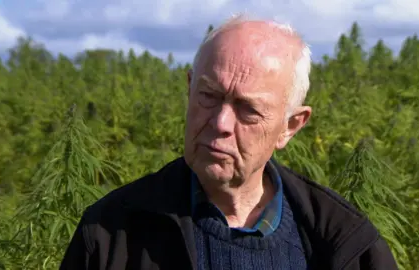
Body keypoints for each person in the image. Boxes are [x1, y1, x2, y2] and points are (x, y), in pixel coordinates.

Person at [60, 14, 398, 270]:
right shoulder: (110, 232)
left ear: (290, 126)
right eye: (208, 96)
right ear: (189, 87)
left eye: (248, 109)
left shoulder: (345, 242)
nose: (220, 123)